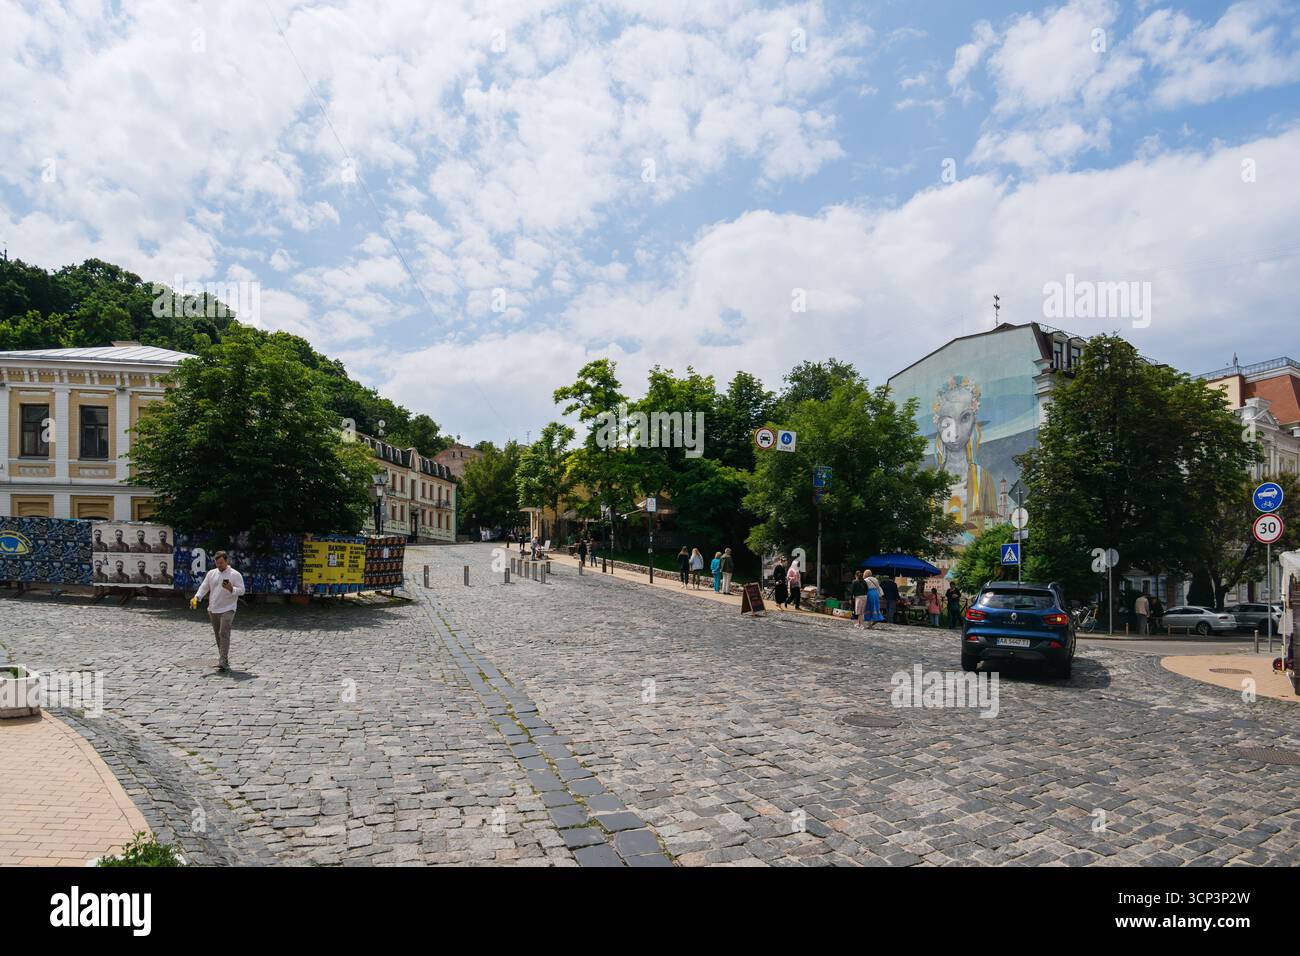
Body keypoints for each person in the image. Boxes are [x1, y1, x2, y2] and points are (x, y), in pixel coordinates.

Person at [191, 550, 246, 673]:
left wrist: (232, 589)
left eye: (221, 563)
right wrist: (197, 597)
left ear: (227, 561)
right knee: (218, 635)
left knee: (223, 632)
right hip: (213, 608)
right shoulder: (211, 573)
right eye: (217, 563)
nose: (219, 565)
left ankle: (223, 659)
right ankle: (223, 658)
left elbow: (242, 590)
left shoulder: (235, 574)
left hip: (228, 608)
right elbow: (204, 587)